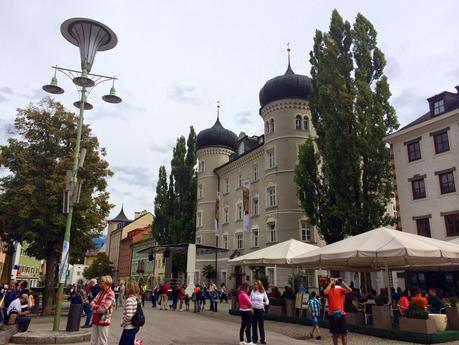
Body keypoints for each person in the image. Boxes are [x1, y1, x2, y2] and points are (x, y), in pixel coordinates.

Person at [324, 277, 352, 345]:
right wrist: (331, 283)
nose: (333, 281)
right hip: (332, 314)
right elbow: (325, 292)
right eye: (331, 280)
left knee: (344, 333)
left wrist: (342, 282)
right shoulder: (328, 290)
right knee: (335, 333)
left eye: (333, 280)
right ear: (328, 282)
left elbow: (350, 290)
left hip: (341, 313)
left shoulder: (339, 289)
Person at [89, 276, 115, 345]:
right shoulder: (100, 292)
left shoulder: (110, 293)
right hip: (95, 319)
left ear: (107, 283)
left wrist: (95, 307)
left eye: (102, 281)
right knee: (93, 340)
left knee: (102, 341)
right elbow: (91, 303)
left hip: (103, 320)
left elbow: (102, 309)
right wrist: (97, 306)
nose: (100, 282)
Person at [119, 280, 141, 345]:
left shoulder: (129, 300)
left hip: (129, 327)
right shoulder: (136, 299)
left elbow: (129, 315)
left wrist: (122, 323)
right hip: (135, 326)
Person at [250, 280, 269, 345]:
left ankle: (262, 339)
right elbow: (250, 300)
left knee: (261, 325)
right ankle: (254, 339)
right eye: (254, 284)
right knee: (254, 325)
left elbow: (267, 300)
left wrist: (265, 303)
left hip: (260, 310)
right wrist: (251, 308)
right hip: (254, 310)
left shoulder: (263, 292)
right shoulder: (253, 291)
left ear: (259, 285)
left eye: (256, 284)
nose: (255, 285)